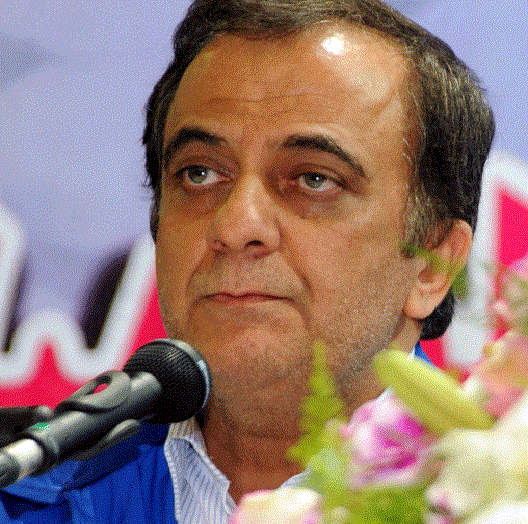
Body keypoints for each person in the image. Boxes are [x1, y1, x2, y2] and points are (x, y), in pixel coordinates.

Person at [0, 0, 494, 522]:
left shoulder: (495, 500)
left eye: (314, 179)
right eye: (199, 174)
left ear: (432, 266)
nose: (235, 227)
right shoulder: (25, 492)